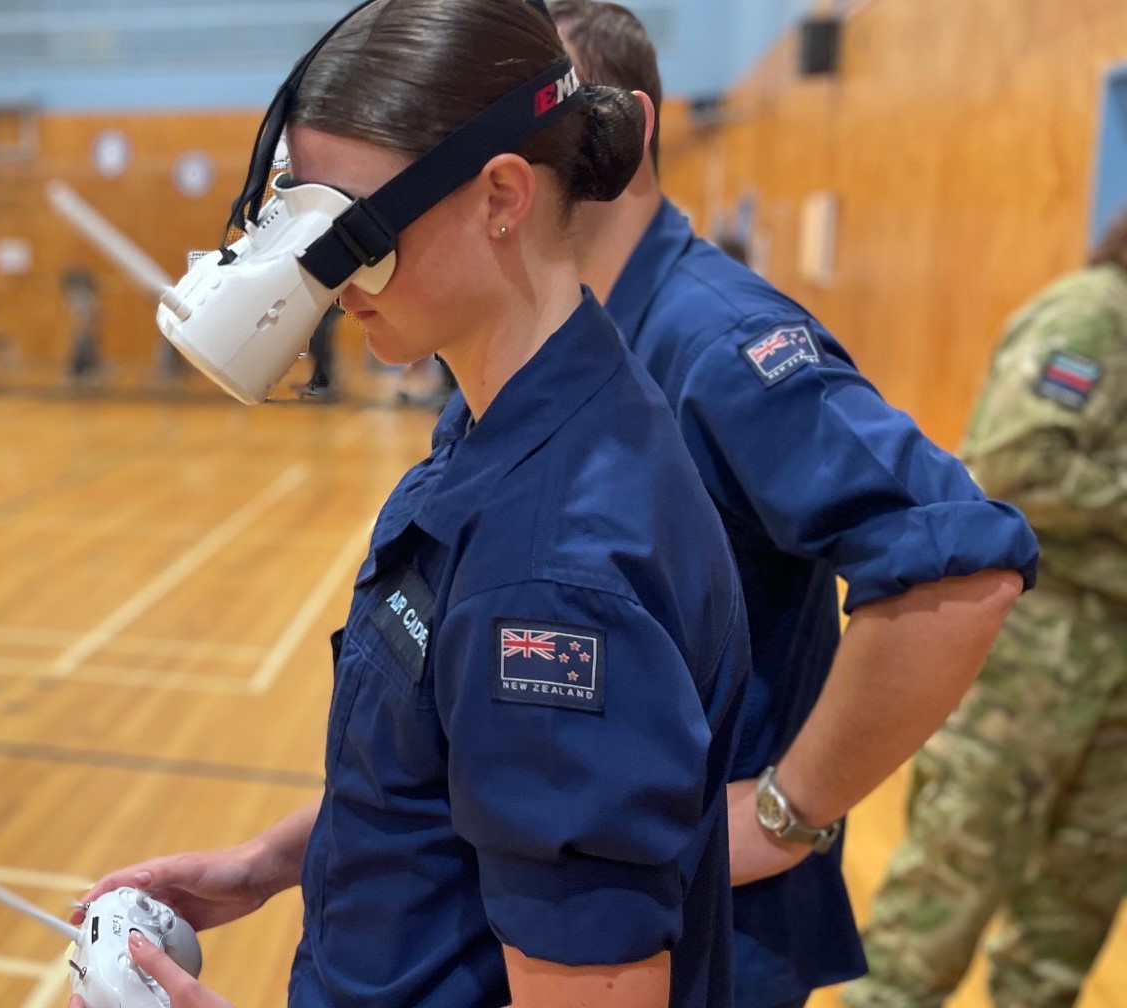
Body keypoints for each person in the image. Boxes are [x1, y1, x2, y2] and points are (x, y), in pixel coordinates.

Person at [74, 2, 750, 1006]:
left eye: (355, 233)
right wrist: (271, 860)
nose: (326, 282)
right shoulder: (509, 419)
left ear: (503, 196)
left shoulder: (550, 582)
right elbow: (464, 782)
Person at [546, 4, 1038, 1006]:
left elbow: (958, 559)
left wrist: (785, 812)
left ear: (626, 128)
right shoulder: (561, 339)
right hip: (582, 909)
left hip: (711, 938)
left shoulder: (719, 344)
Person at [842, 208, 1127, 1008]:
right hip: (1033, 666)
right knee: (939, 906)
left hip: (1113, 675)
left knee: (1065, 929)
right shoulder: (1091, 315)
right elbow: (1019, 460)